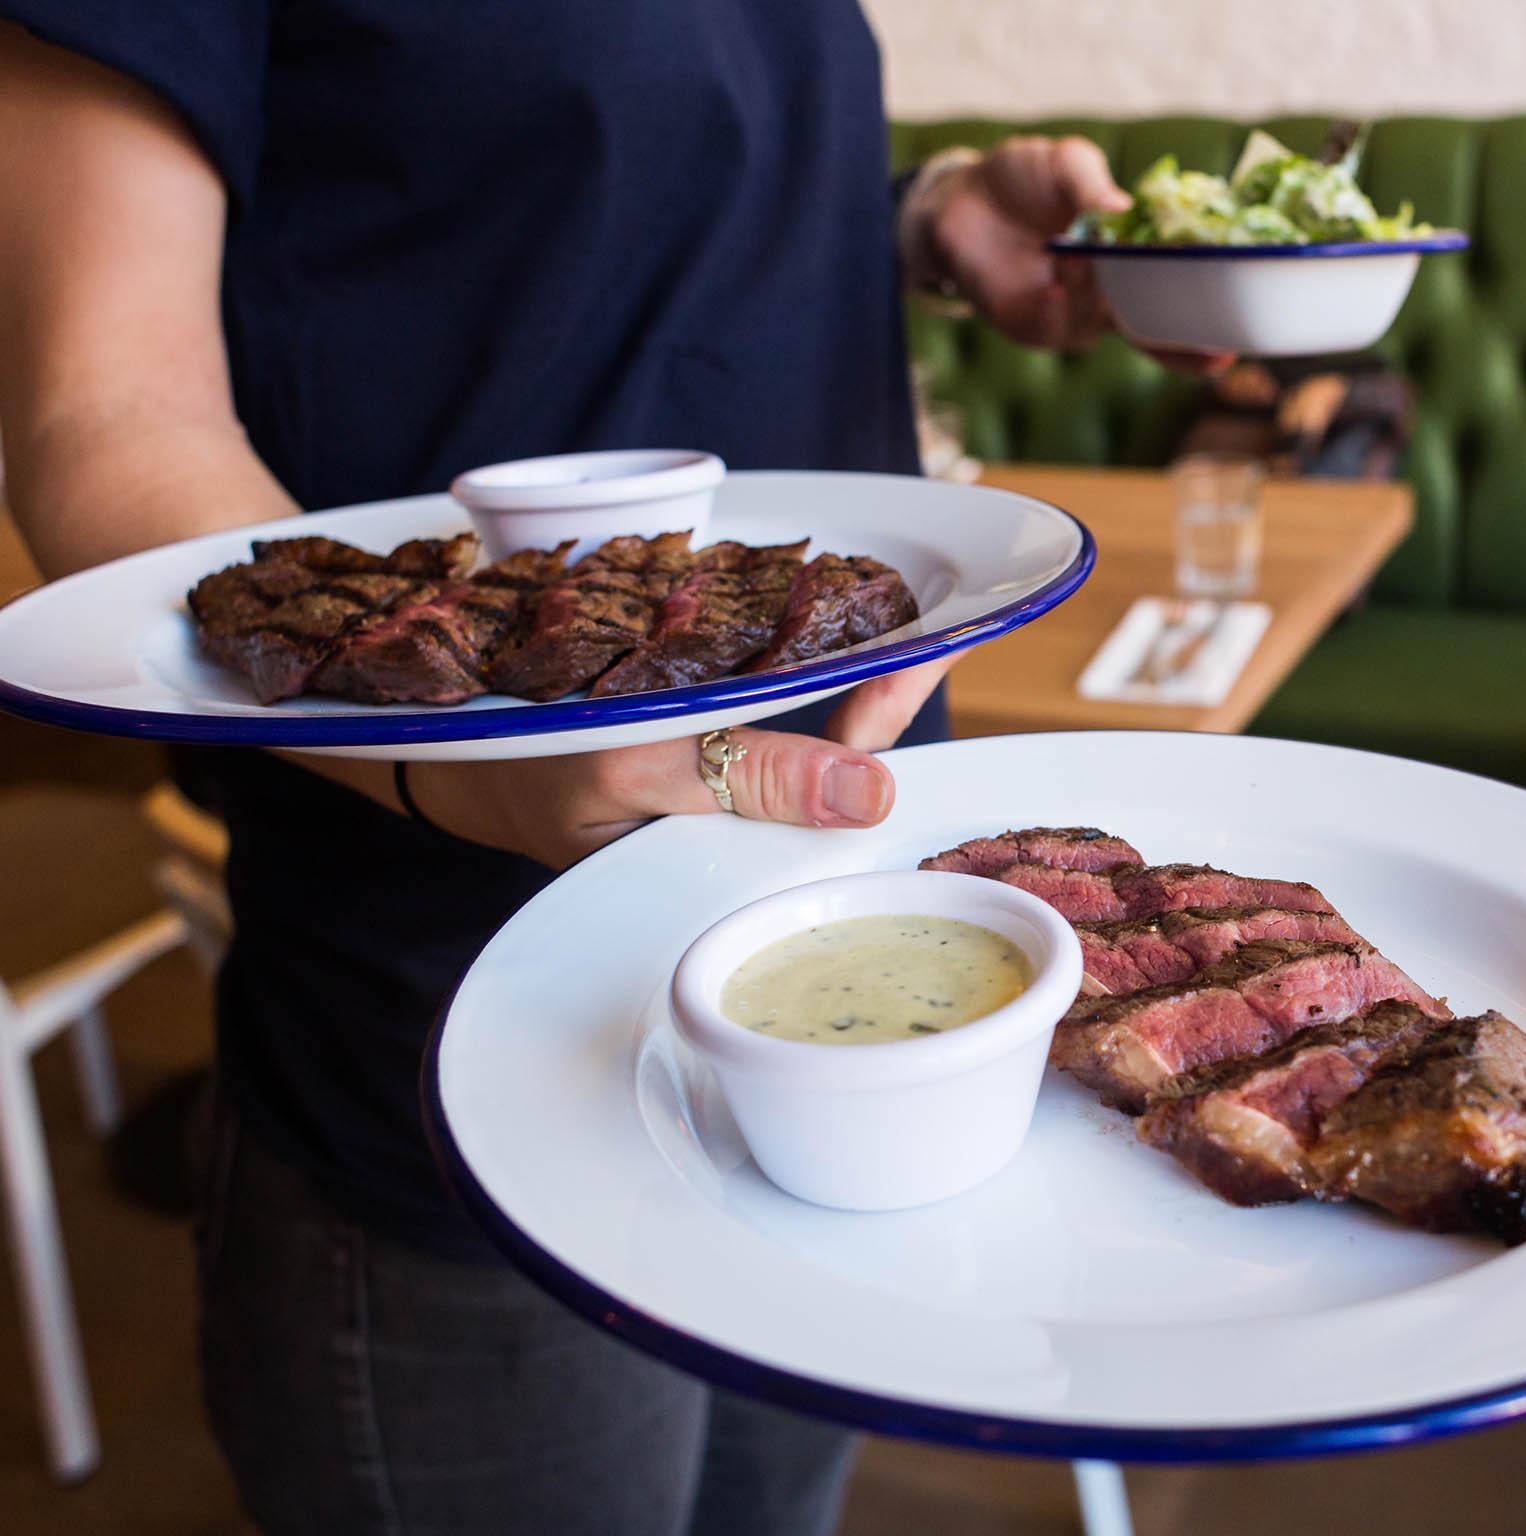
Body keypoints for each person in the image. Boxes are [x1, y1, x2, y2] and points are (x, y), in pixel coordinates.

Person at [0, 8, 1173, 1532]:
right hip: (459, 1036)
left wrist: (922, 220)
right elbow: (104, 414)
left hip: (844, 989)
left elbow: (591, 204)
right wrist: (463, 771)